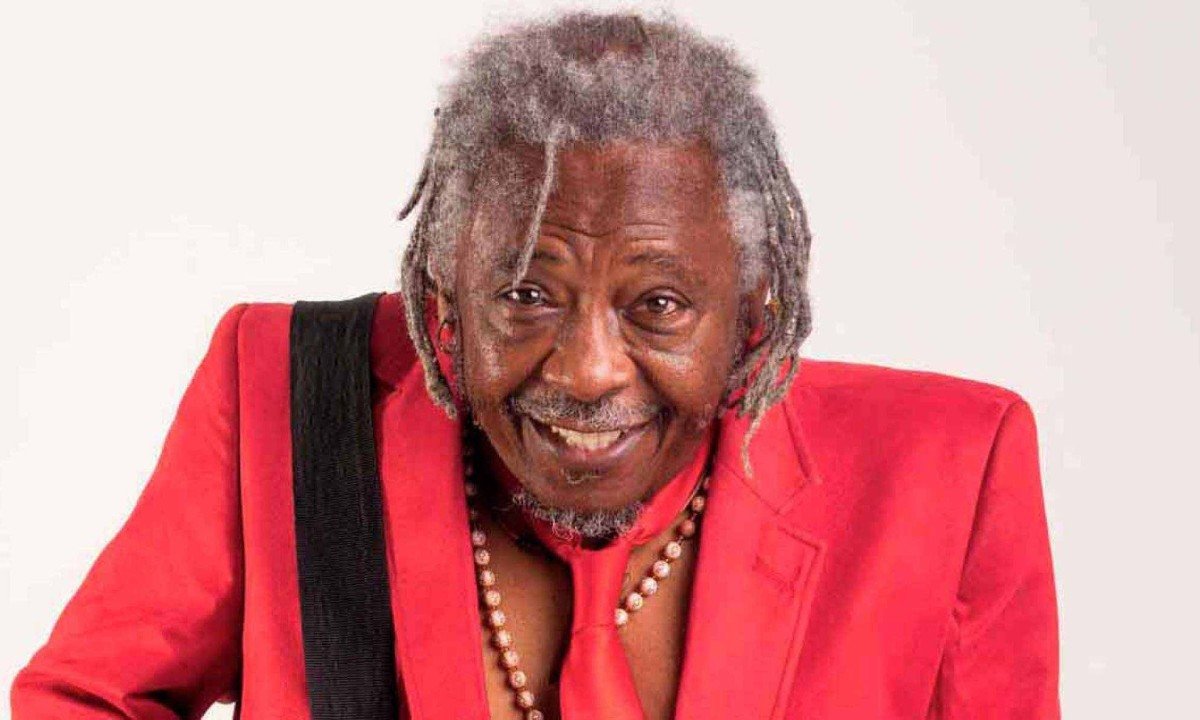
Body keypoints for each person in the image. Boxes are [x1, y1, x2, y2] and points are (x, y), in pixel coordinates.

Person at [10, 10, 1060, 720]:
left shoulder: (949, 473)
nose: (590, 371)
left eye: (657, 305)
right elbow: (83, 703)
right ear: (443, 307)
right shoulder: (290, 396)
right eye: (524, 294)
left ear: (752, 323)